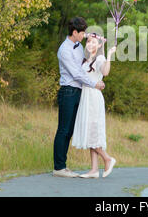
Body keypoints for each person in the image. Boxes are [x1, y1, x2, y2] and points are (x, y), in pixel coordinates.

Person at [53, 17, 105, 178]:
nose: (84, 36)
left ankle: (63, 166)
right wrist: (94, 84)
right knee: (63, 130)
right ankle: (59, 168)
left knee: (69, 131)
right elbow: (76, 73)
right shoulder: (65, 50)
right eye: (82, 33)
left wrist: (98, 41)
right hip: (68, 91)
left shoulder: (79, 46)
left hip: (78, 92)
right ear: (74, 32)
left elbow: (86, 64)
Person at [71, 33, 117, 178]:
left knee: (93, 131)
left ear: (99, 45)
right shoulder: (86, 60)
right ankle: (94, 170)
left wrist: (109, 54)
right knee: (90, 130)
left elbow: (105, 72)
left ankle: (107, 158)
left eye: (94, 42)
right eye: (89, 41)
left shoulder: (100, 58)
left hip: (93, 97)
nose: (90, 44)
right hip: (86, 96)